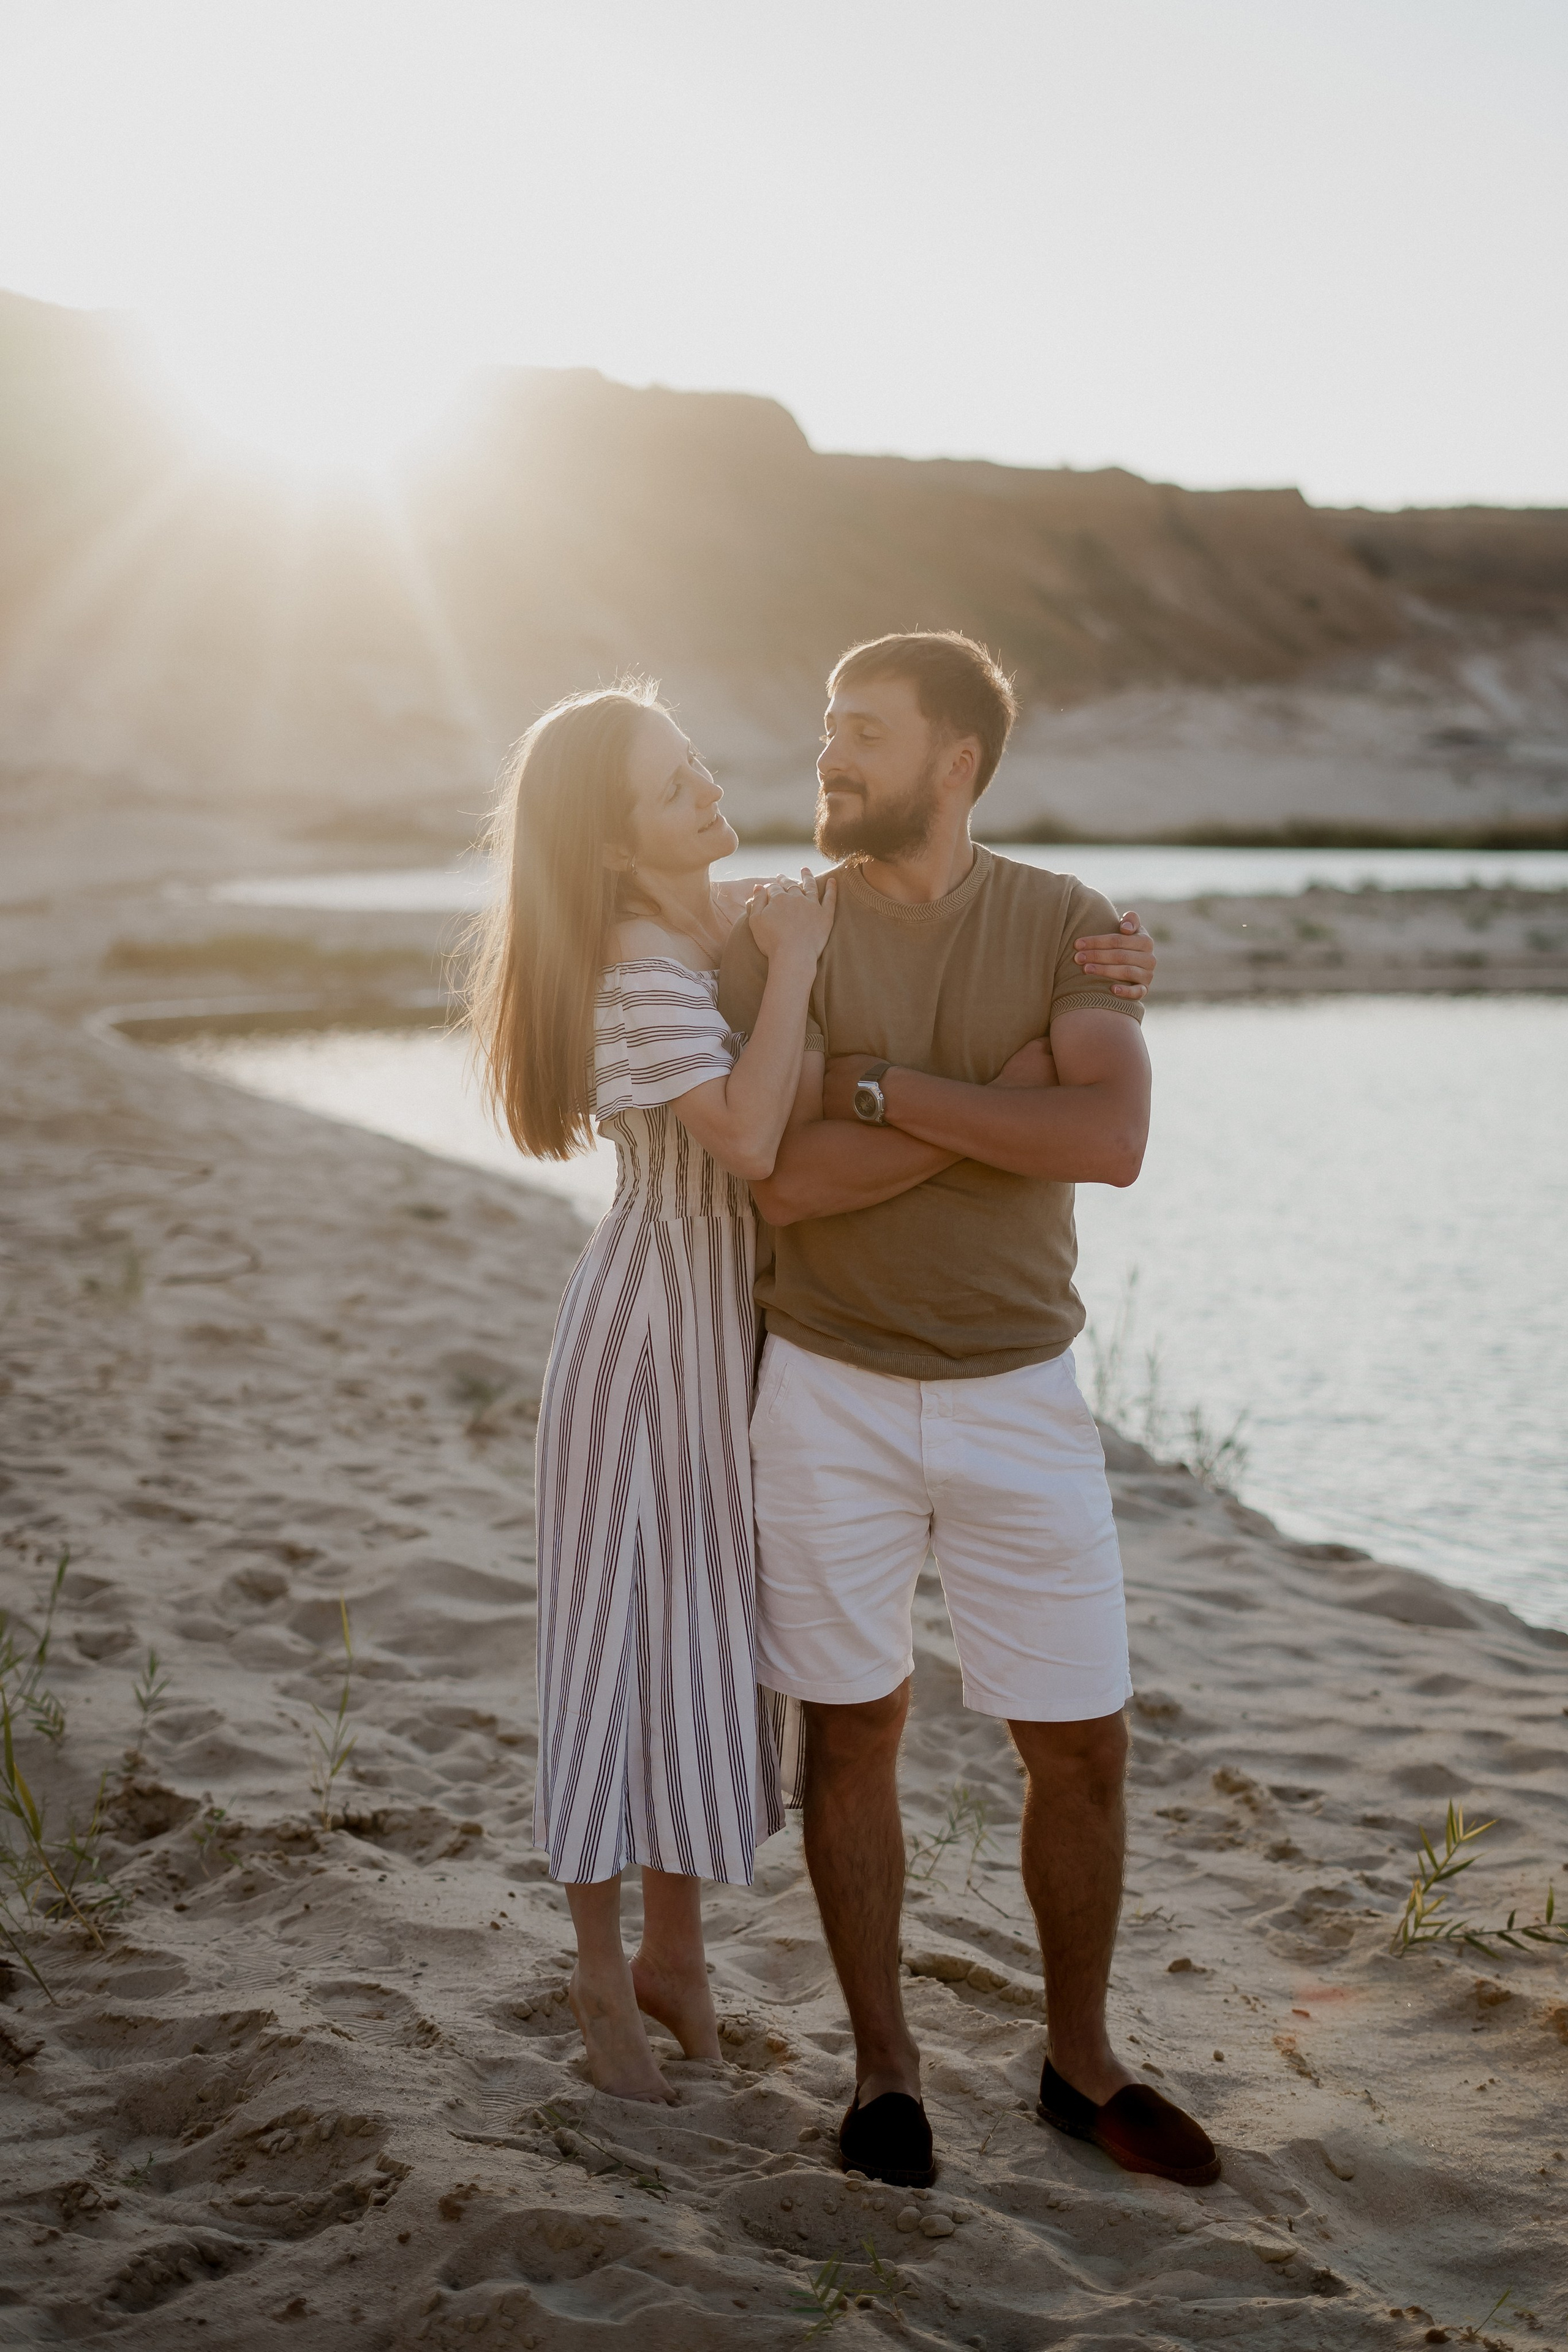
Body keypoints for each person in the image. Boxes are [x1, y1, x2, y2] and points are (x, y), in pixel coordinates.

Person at [718, 630, 1219, 2188]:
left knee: (1078, 1745)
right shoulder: (781, 938)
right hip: (825, 1386)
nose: (827, 755)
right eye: (823, 727)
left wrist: (878, 1089)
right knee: (852, 1731)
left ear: (953, 761)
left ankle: (1079, 2061)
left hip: (1020, 1397)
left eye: (860, 730)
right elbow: (783, 1177)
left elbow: (1112, 1137)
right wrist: (998, 1108)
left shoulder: (1065, 922)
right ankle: (885, 2073)